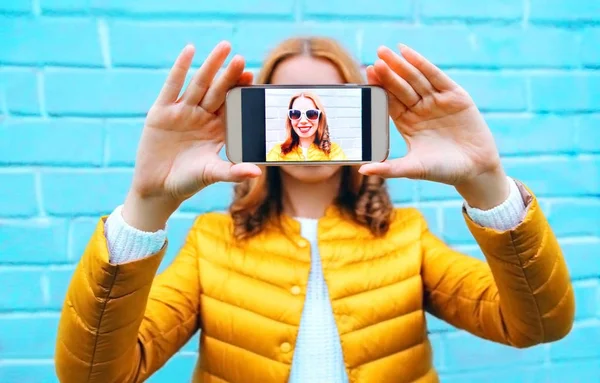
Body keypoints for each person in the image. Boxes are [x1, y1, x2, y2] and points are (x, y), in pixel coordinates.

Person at [54, 37, 575, 383]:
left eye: (323, 102)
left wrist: (487, 185)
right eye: (287, 104)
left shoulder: (406, 235)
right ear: (264, 118)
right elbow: (93, 375)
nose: (303, 117)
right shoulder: (211, 243)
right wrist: (145, 205)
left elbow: (537, 326)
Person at [266, 91, 347, 161]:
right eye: (295, 114)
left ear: (320, 118)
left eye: (311, 114)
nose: (303, 121)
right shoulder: (277, 152)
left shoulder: (334, 151)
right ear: (290, 119)